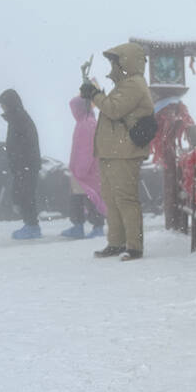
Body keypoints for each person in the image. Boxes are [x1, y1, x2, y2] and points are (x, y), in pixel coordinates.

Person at [80, 42, 153, 261]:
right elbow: (113, 106)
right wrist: (96, 94)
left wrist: (94, 94)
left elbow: (113, 109)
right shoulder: (124, 85)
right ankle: (116, 242)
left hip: (125, 151)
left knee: (125, 199)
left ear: (126, 62)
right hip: (113, 151)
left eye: (115, 61)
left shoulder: (134, 84)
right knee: (112, 200)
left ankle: (134, 246)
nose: (112, 66)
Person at [0, 88, 42, 240]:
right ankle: (30, 224)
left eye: (3, 105)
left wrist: (20, 163)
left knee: (25, 195)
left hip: (25, 164)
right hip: (24, 164)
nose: (2, 108)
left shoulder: (19, 118)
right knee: (23, 194)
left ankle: (32, 226)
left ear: (10, 103)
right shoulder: (17, 117)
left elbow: (24, 144)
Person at [61, 96, 106, 239]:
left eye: (74, 109)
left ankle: (96, 227)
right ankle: (78, 226)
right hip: (84, 170)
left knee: (91, 198)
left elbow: (87, 150)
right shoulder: (85, 122)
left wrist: (80, 169)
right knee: (79, 198)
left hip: (87, 171)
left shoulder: (86, 124)